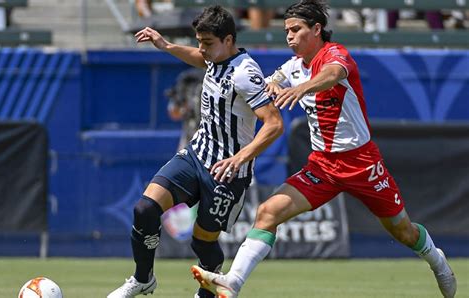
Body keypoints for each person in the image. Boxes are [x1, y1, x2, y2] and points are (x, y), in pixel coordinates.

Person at [190, 1, 457, 298]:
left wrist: (300, 89)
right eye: (286, 31)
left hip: (361, 163)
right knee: (267, 212)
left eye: (295, 30)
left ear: (316, 29)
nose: (289, 37)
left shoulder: (335, 54)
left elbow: (333, 74)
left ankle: (437, 260)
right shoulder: (292, 67)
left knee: (403, 232)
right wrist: (273, 86)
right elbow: (270, 84)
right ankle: (233, 282)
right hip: (322, 167)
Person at [107, 5, 284, 298]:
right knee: (145, 209)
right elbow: (201, 60)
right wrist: (165, 45)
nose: (201, 49)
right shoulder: (214, 58)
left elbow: (275, 124)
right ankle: (142, 278)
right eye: (199, 41)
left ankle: (209, 292)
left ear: (228, 40)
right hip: (196, 155)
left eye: (207, 43)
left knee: (203, 244)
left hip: (227, 172)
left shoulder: (244, 72)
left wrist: (240, 157)